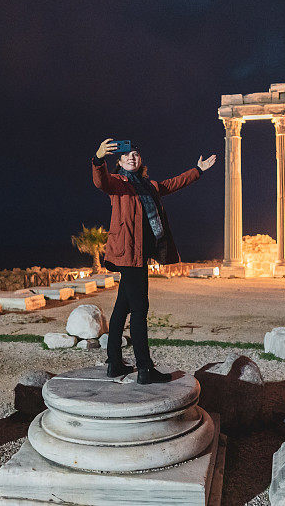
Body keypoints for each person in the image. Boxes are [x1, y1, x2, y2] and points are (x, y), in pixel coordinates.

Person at [92, 138, 217, 384]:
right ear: (119, 161)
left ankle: (114, 363)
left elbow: (172, 184)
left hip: (140, 254)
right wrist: (98, 159)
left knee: (122, 308)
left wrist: (198, 170)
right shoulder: (117, 183)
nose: (132, 158)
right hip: (129, 255)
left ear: (141, 161)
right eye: (127, 156)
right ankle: (145, 369)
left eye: (136, 155)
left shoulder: (149, 185)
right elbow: (100, 180)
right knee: (140, 311)